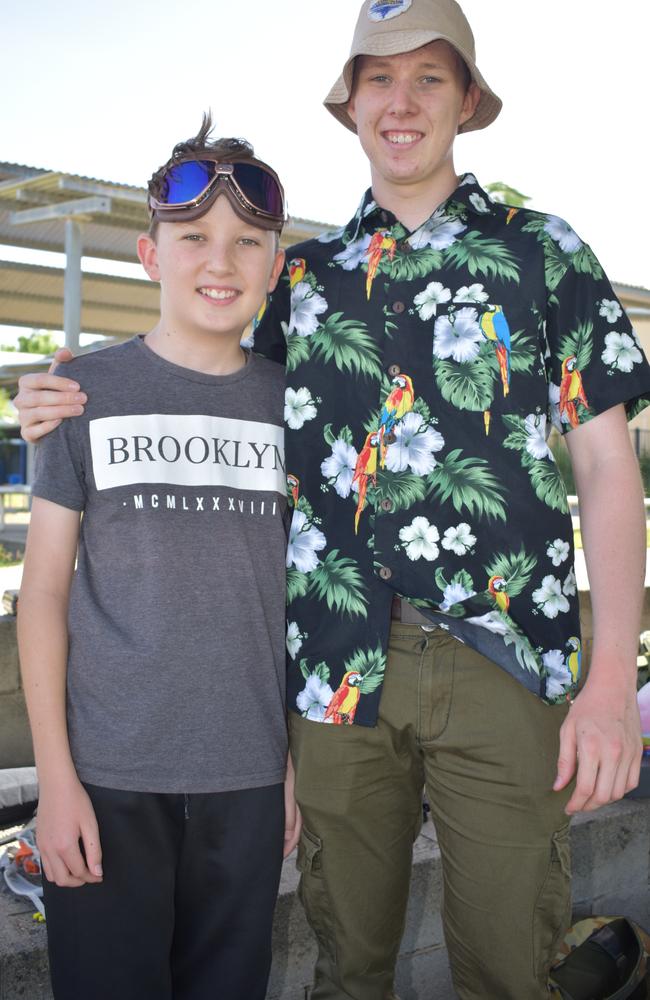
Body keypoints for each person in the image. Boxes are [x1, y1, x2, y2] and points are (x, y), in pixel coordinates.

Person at [15, 2, 650, 997]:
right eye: (377, 79)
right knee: (344, 966)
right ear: (348, 105)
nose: (401, 101)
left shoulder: (543, 252)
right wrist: (61, 389)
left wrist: (610, 679)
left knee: (505, 963)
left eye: (428, 77)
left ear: (467, 100)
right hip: (334, 673)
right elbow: (200, 363)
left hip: (503, 657)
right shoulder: (300, 282)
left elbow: (609, 471)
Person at [17, 117, 300, 1000]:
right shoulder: (80, 394)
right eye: (194, 239)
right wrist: (54, 784)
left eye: (246, 242)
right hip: (107, 781)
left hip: (248, 780)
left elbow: (298, 602)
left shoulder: (295, 408)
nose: (220, 262)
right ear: (149, 253)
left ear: (274, 265)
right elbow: (43, 596)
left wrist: (287, 768)